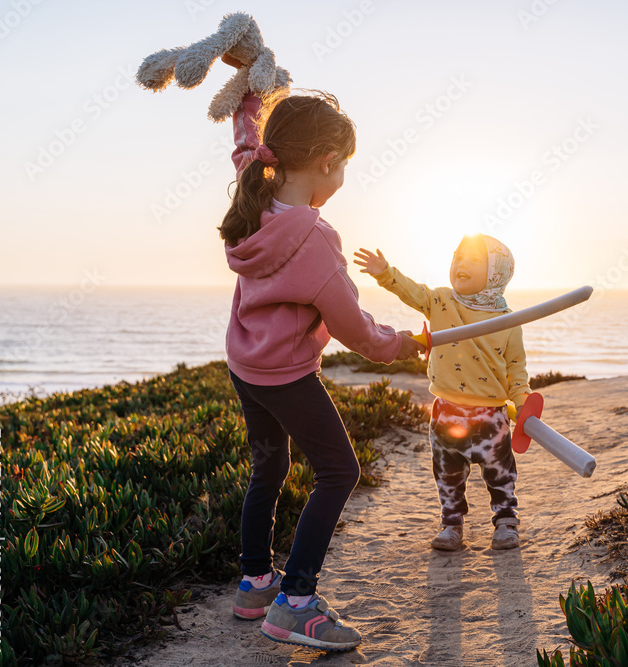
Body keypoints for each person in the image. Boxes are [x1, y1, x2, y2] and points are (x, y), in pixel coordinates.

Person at [219, 56, 423, 651]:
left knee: (270, 466)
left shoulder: (253, 185)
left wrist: (252, 94)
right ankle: (297, 602)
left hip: (244, 365)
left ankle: (255, 583)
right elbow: (357, 332)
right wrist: (406, 344)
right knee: (339, 470)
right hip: (284, 375)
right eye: (346, 168)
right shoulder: (314, 238)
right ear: (329, 163)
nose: (343, 181)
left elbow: (244, 137)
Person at [354, 234, 530, 551]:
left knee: (500, 474)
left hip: (491, 415)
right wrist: (384, 272)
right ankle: (451, 524)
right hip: (446, 413)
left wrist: (523, 401)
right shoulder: (439, 301)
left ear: (495, 273)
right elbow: (410, 291)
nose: (461, 264)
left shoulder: (508, 320)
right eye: (457, 257)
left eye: (475, 260)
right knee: (448, 475)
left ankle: (505, 523)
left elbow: (516, 366)